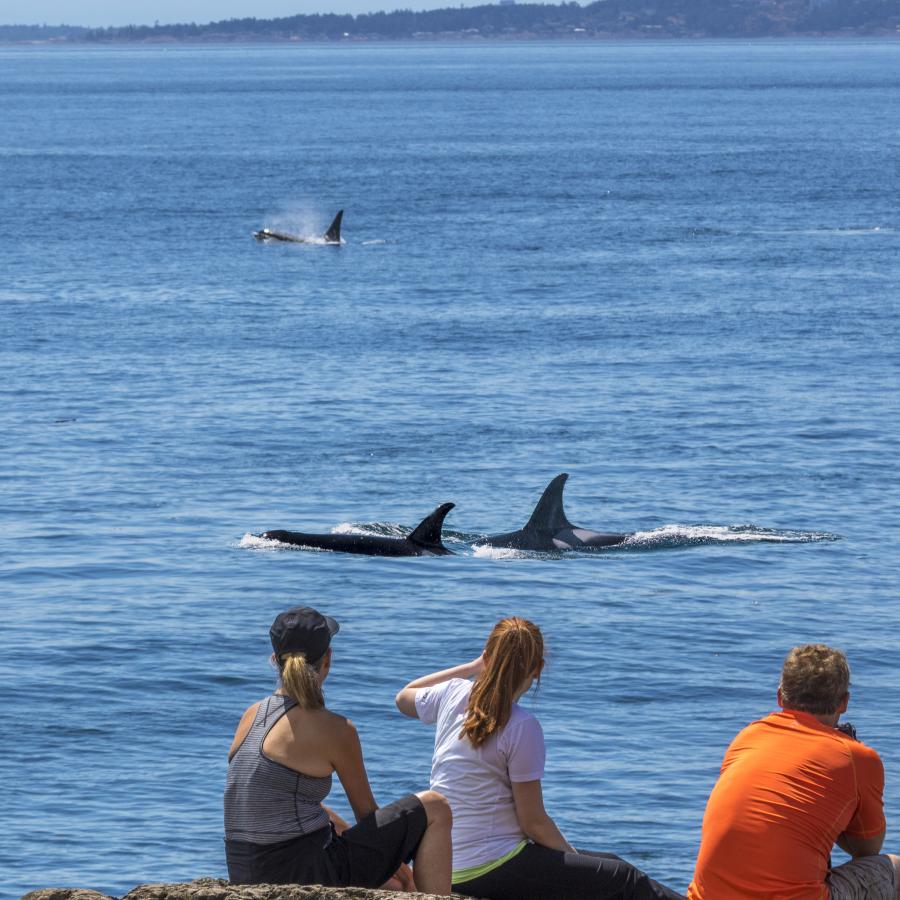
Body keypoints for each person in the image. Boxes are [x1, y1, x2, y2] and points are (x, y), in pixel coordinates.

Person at [395, 616, 684, 900]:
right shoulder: (521, 725)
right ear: (538, 669)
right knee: (623, 878)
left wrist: (472, 667)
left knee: (609, 861)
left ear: (487, 657)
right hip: (487, 867)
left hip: (442, 862)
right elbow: (533, 822)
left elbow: (404, 697)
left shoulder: (452, 693)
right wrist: (574, 865)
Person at [224, 605, 452, 893]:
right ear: (328, 660)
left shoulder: (251, 716)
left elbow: (289, 804)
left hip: (245, 872)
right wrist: (403, 867)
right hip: (300, 873)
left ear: (274, 660)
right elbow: (367, 815)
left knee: (391, 882)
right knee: (435, 807)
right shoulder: (336, 729)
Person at [688, 643, 900, 899]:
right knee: (894, 869)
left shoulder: (747, 736)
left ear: (780, 696)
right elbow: (866, 850)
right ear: (844, 702)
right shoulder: (858, 758)